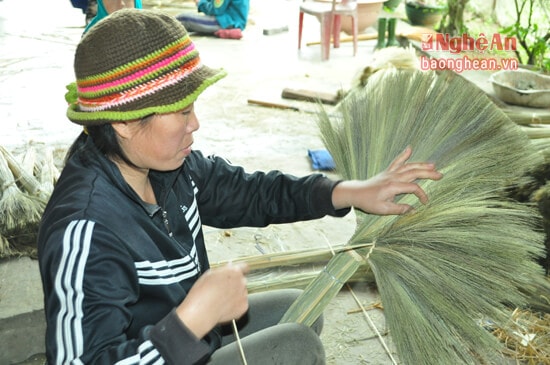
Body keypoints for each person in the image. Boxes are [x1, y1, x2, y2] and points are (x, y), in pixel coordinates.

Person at [38, 9, 442, 365]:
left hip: (181, 338)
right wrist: (189, 322)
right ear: (124, 121)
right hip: (162, 348)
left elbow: (251, 193)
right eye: (182, 111)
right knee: (297, 347)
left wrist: (348, 192)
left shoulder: (168, 168)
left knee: (301, 309)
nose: (194, 123)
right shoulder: (87, 229)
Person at [176, 0, 249, 39]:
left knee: (184, 19)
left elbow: (215, 10)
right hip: (235, 21)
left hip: (226, 22)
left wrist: (199, 3)